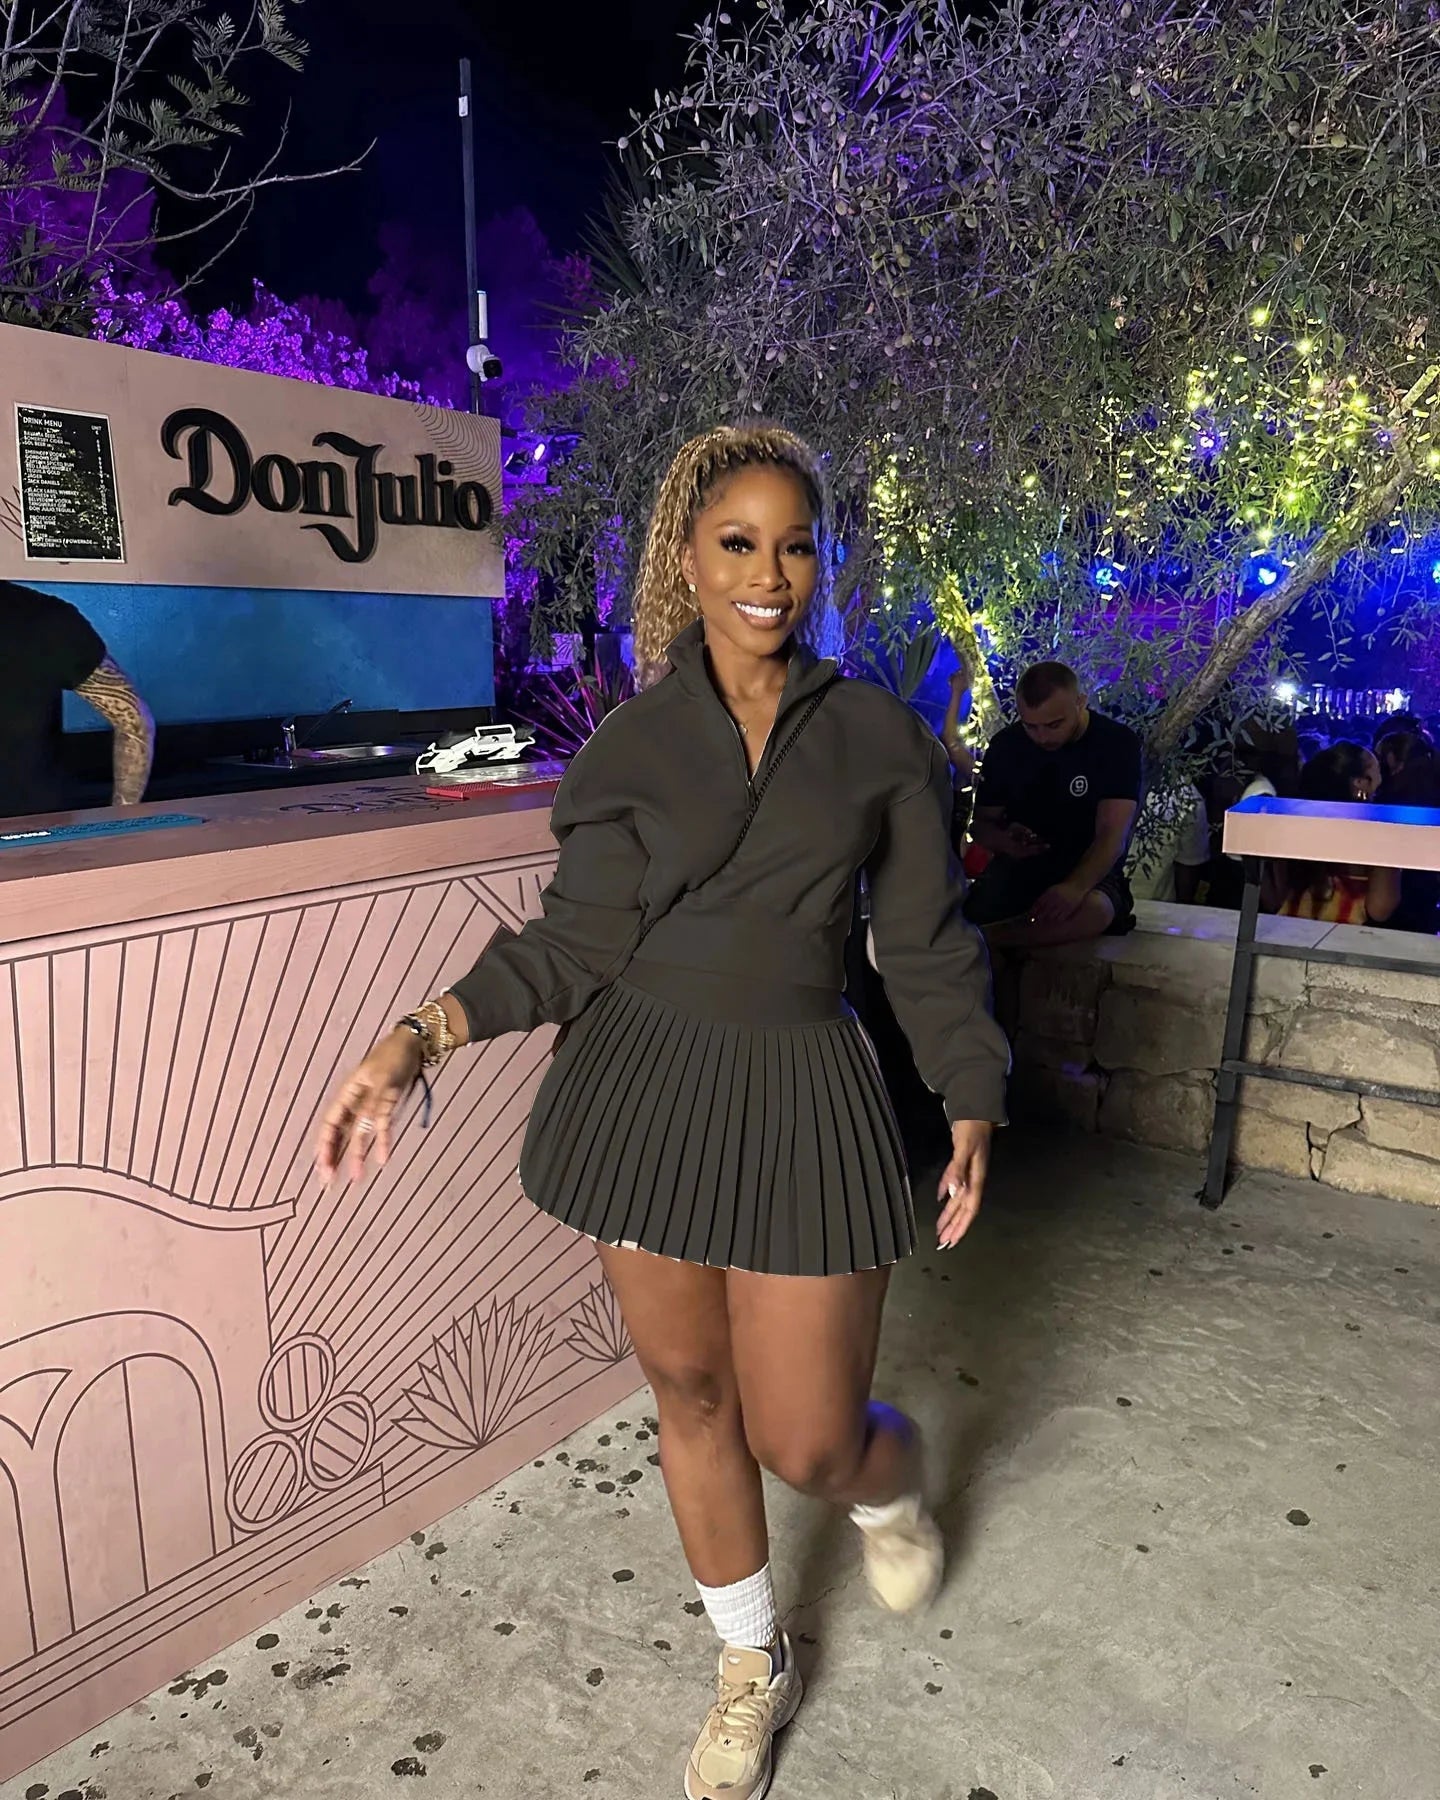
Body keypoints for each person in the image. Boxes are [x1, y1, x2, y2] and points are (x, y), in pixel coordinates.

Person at [313, 426, 1010, 1800]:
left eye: (795, 545)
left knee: (805, 1437)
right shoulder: (633, 744)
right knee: (691, 1393)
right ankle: (751, 1663)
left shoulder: (880, 739)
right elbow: (572, 944)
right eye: (738, 543)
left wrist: (971, 1091)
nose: (769, 573)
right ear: (688, 559)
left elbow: (924, 942)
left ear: (822, 563)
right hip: (642, 1089)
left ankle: (888, 1476)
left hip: (804, 1087)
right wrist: (421, 1038)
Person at [963, 660, 1142, 946]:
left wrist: (1074, 887)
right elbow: (981, 825)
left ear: (1080, 702)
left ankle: (990, 941)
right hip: (1019, 869)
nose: (1042, 737)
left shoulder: (1115, 743)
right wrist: (1005, 840)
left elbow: (1111, 835)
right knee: (966, 910)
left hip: (1090, 871)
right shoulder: (1006, 745)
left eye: (1054, 725)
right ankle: (986, 939)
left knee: (1096, 910)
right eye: (1030, 726)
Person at [0, 579, 154, 818]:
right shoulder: (43, 615)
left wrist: (123, 820)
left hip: (36, 823)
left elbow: (133, 720)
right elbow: (134, 721)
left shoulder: (44, 617)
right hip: (38, 823)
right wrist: (123, 820)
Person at [1267, 742, 1399, 924]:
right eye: (1377, 769)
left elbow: (1272, 899)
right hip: (1343, 936)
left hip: (1284, 931)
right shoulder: (1376, 833)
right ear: (1360, 783)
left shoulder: (1293, 825)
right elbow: (1381, 908)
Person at [1127, 780, 1210, 904]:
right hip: (1107, 904)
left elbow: (1189, 870)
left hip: (1158, 909)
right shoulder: (1186, 796)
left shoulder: (1186, 797)